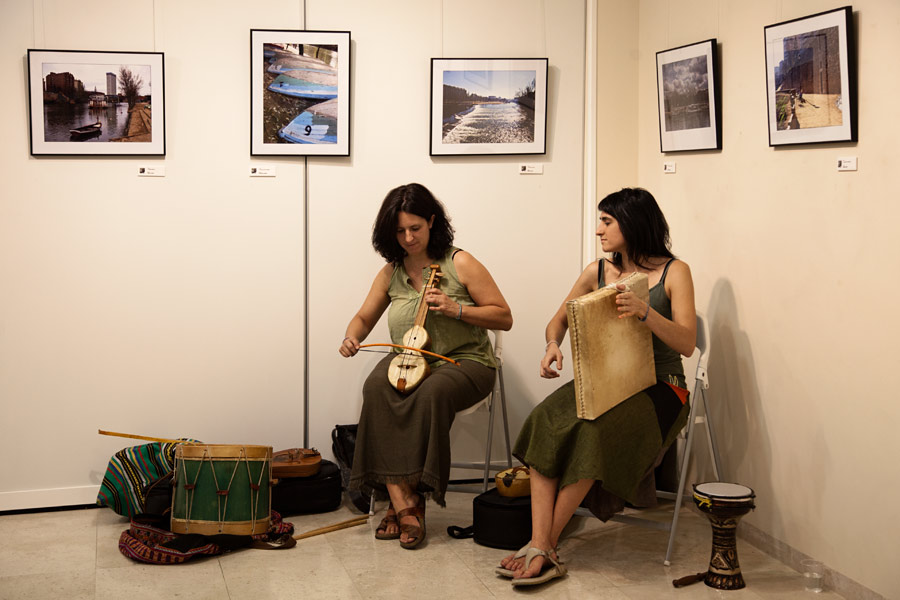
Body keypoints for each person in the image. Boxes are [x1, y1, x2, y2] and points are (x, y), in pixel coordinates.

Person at [496, 187, 696, 586]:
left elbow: (687, 343)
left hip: (662, 387)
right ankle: (542, 543)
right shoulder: (597, 271)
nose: (599, 230)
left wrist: (645, 312)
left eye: (607, 221)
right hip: (609, 380)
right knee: (545, 419)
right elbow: (558, 321)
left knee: (592, 431)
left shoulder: (675, 272)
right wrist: (552, 346)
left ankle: (542, 546)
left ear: (632, 224)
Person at [339, 183, 513, 549]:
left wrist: (456, 309)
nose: (408, 238)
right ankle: (405, 500)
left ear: (432, 221)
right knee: (375, 387)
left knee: (430, 392)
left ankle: (405, 500)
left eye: (415, 228)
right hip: (409, 358)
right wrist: (352, 337)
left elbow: (504, 317)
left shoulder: (460, 262)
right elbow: (363, 318)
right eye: (399, 231)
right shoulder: (391, 272)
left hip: (466, 361)